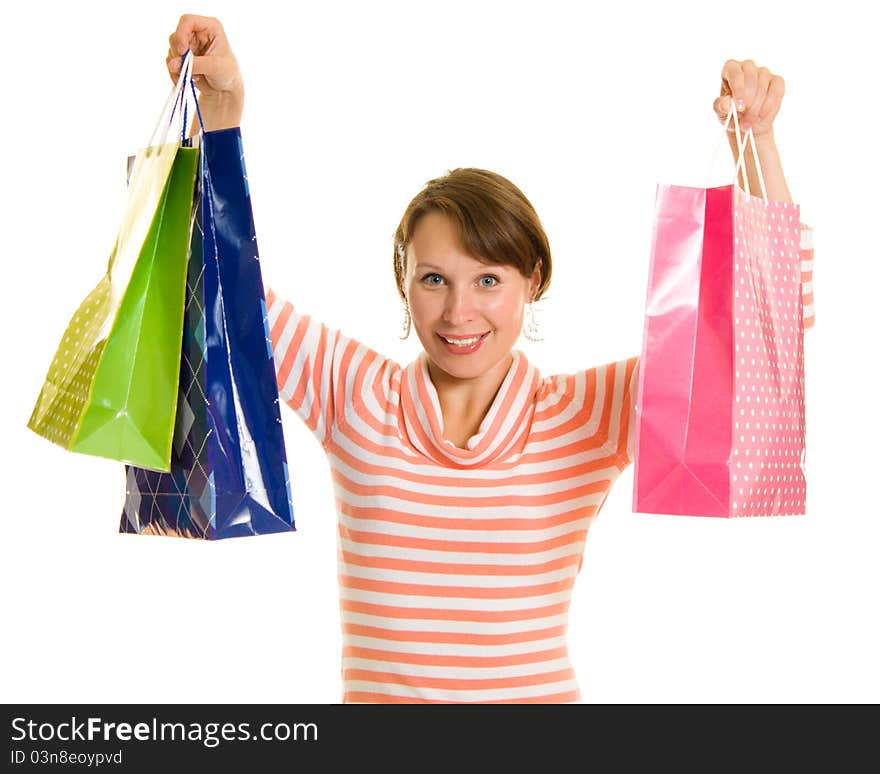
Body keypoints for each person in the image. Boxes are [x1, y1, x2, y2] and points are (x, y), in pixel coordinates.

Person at [166, 14, 816, 703]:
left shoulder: (585, 415)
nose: (458, 313)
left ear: (531, 280)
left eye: (488, 281)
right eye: (434, 279)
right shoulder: (354, 393)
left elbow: (761, 335)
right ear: (405, 281)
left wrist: (758, 144)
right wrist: (222, 115)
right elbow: (220, 290)